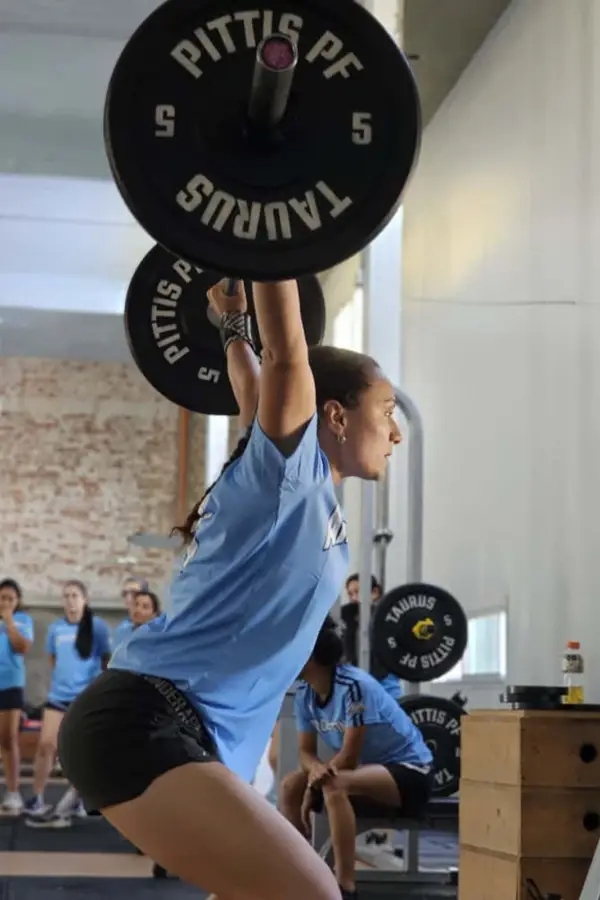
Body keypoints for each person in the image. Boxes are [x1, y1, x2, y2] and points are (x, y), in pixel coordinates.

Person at [57, 277, 401, 900]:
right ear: (335, 414)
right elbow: (287, 357)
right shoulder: (287, 476)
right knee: (315, 894)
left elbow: (251, 384)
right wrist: (274, 238)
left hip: (191, 734)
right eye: (387, 410)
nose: (396, 431)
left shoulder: (296, 485)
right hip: (146, 720)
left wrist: (232, 324)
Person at [280, 617, 433, 900]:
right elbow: (305, 752)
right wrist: (313, 773)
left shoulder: (354, 687)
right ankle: (303, 872)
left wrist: (315, 785)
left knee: (334, 785)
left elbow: (348, 758)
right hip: (366, 771)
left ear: (312, 657)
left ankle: (345, 887)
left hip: (411, 772)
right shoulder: (304, 694)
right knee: (290, 786)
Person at [24, 580, 112, 822]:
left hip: (85, 698)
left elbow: (107, 660)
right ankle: (37, 798)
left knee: (81, 751)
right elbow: (53, 660)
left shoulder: (98, 628)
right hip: (58, 698)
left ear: (84, 599)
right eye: (66, 596)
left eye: (75, 596)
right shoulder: (55, 628)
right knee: (46, 746)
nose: (70, 601)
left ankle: (77, 798)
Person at [0, 579, 34, 813]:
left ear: (17, 601)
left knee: (8, 738)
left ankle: (13, 792)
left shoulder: (22, 620)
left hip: (11, 684)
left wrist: (9, 621)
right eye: (2, 597)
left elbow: (22, 647)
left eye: (11, 598)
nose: (6, 602)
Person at [342, 574, 402, 700]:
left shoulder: (389, 619)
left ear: (374, 592)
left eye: (357, 592)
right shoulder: (348, 621)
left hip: (385, 678)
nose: (353, 598)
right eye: (350, 594)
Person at [113, 577, 148, 647]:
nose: (128, 598)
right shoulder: (122, 629)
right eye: (125, 593)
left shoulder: (158, 626)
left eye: (134, 593)